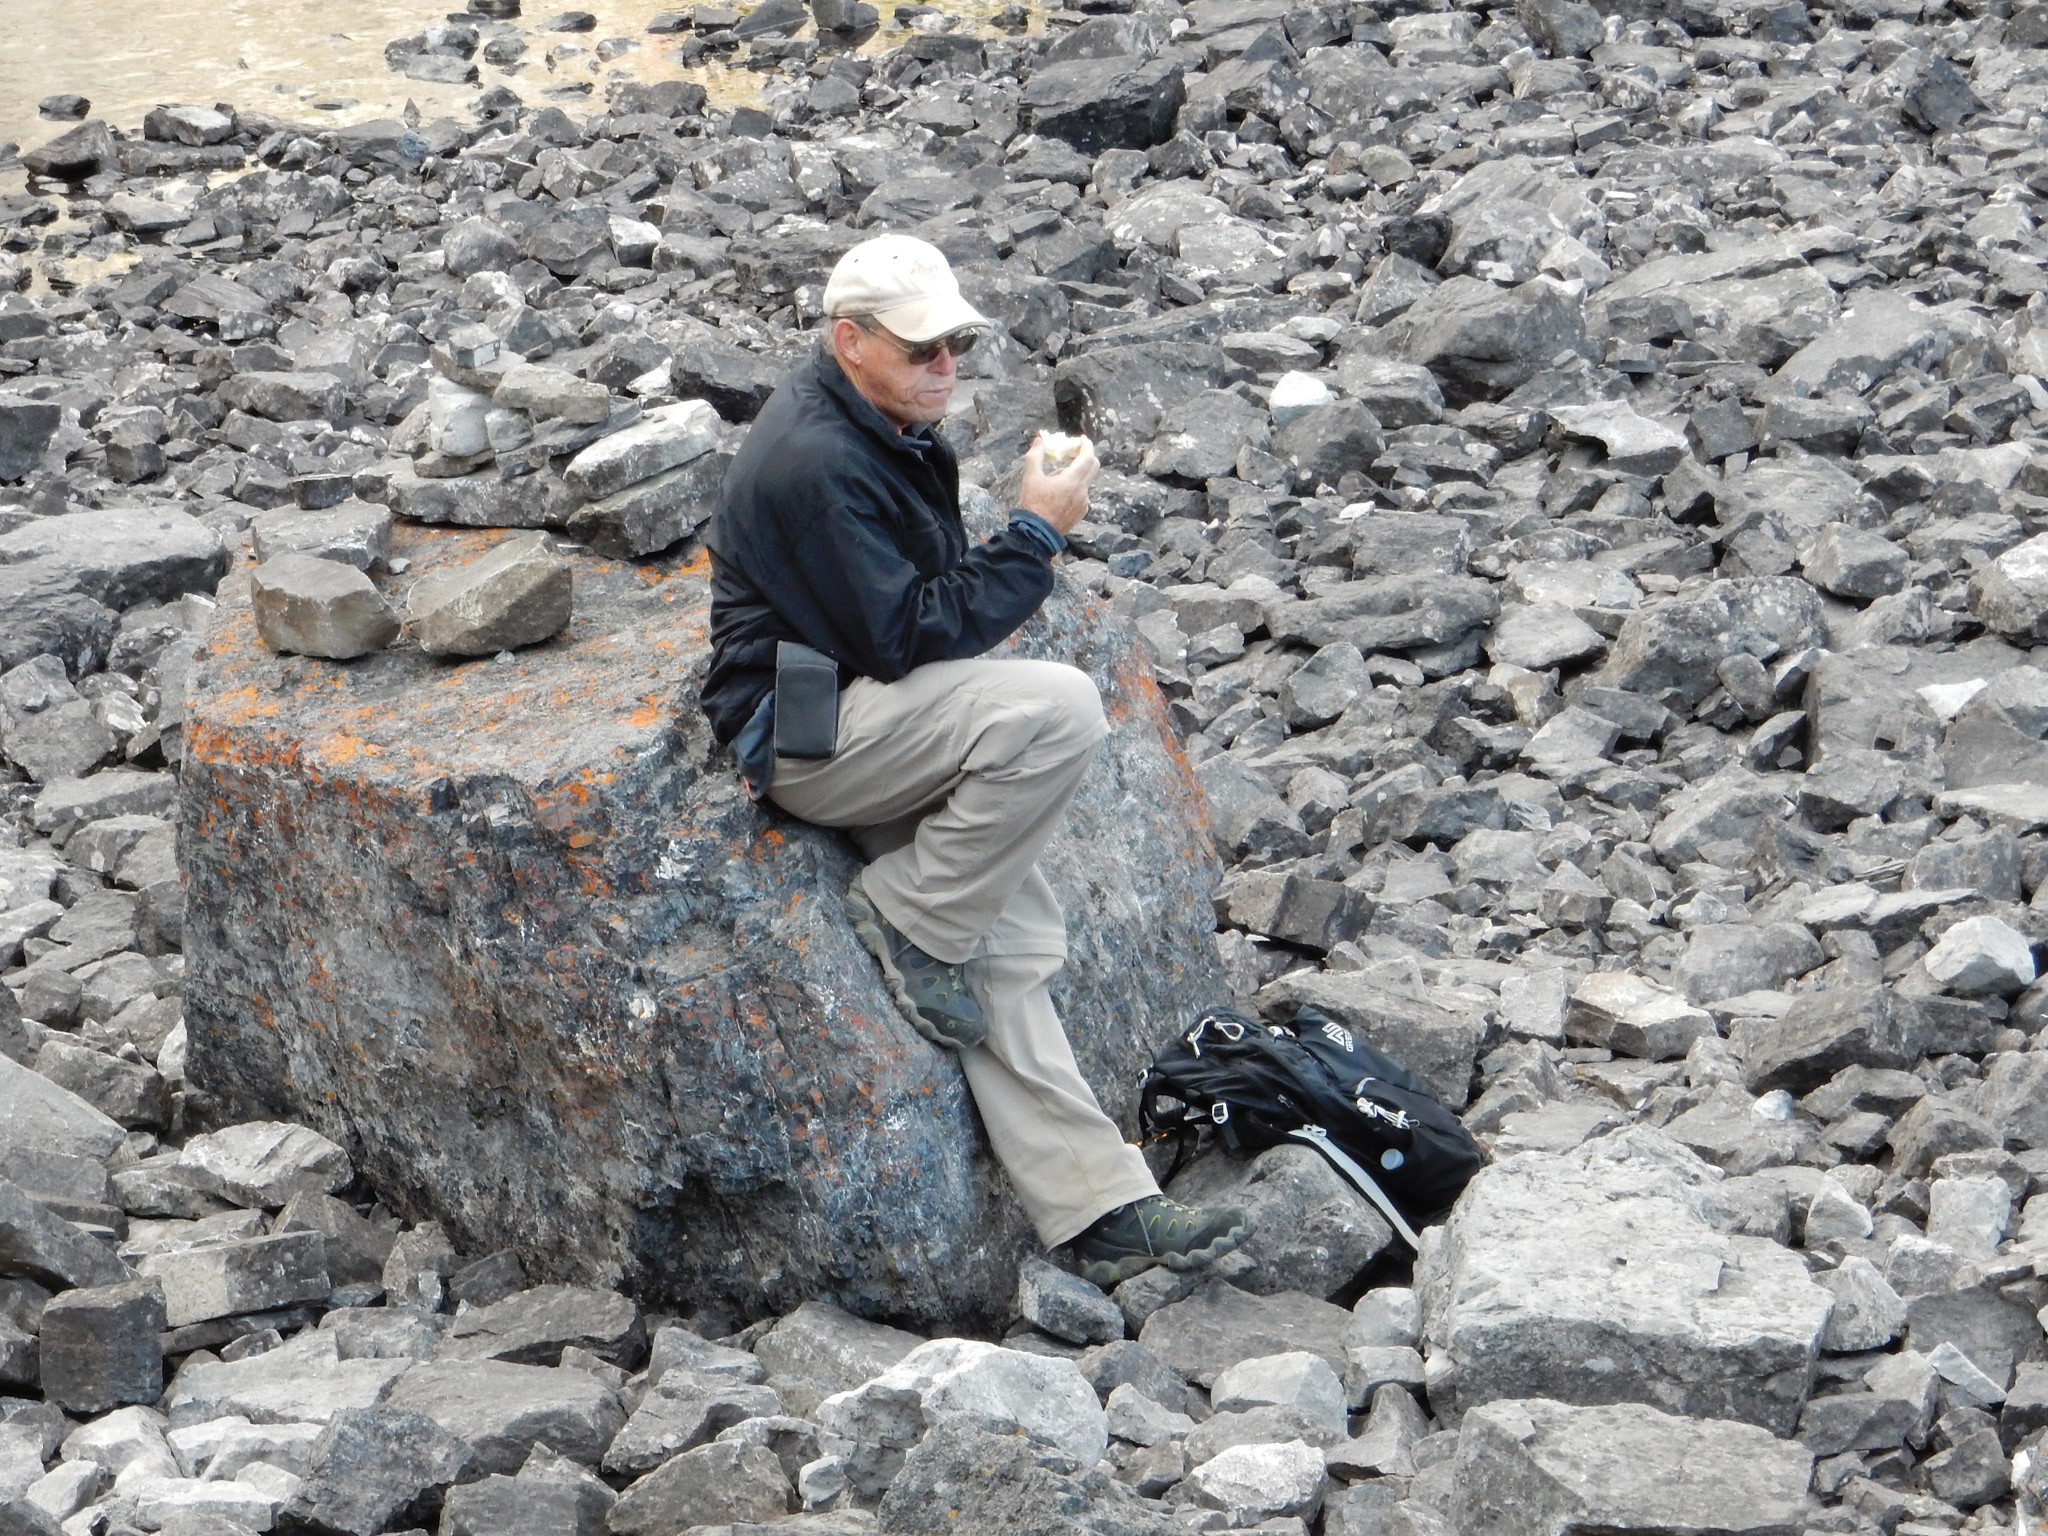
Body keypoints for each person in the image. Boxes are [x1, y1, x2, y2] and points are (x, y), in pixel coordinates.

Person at [699, 234, 1251, 1289]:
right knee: (1057, 708)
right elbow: (907, 636)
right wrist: (1035, 533)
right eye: (921, 348)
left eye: (954, 342)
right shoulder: (819, 461)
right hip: (804, 731)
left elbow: (914, 612)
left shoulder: (878, 422)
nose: (945, 365)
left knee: (1006, 931)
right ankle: (909, 912)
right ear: (849, 340)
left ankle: (1098, 1207)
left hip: (861, 707)